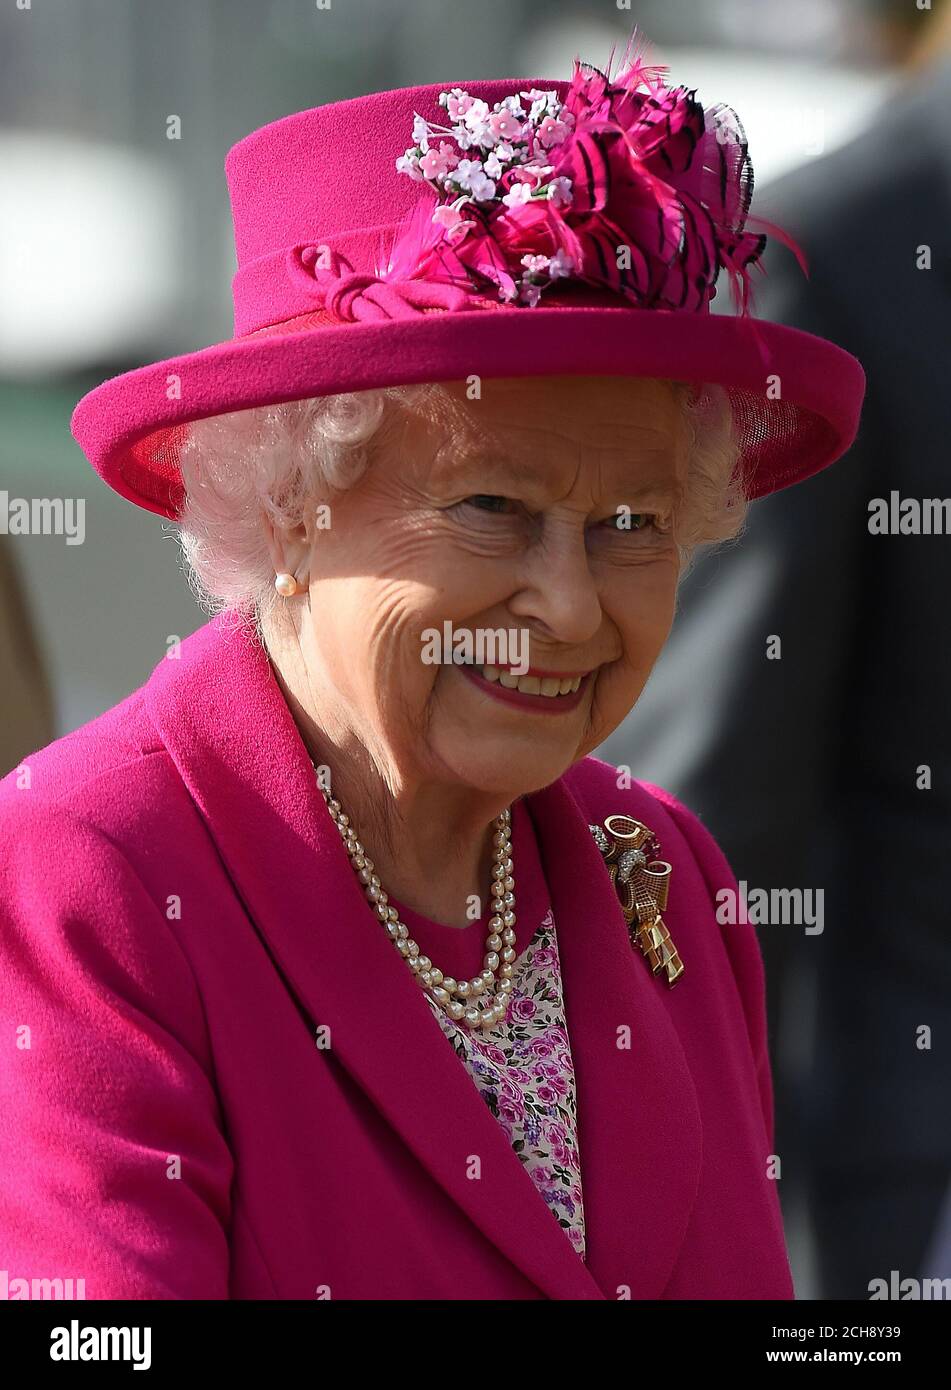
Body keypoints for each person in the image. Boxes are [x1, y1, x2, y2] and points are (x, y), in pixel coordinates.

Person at [0, 28, 864, 1300]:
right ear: (292, 498)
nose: (568, 607)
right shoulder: (92, 870)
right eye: (491, 508)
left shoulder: (665, 873)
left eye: (631, 525)